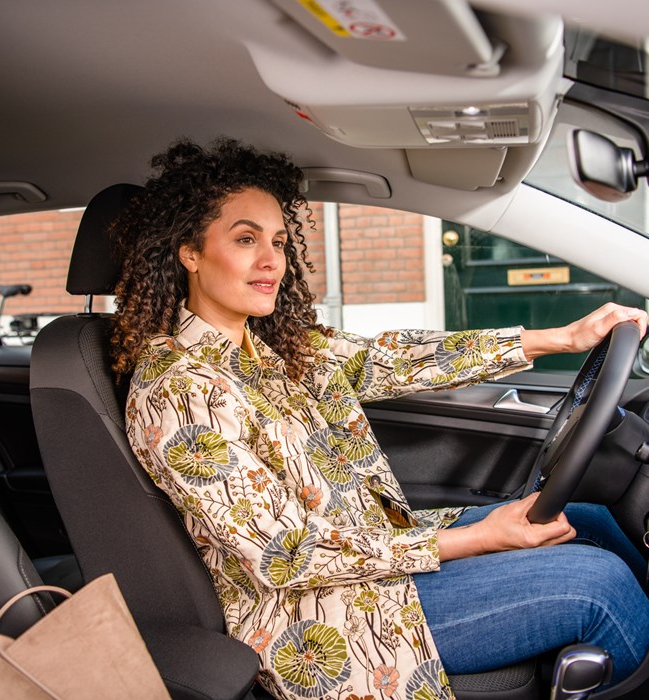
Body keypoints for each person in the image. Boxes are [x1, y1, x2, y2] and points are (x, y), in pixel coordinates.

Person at [110, 137, 649, 700]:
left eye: (278, 241)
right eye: (245, 240)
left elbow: (393, 359)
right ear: (189, 252)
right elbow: (281, 553)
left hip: (378, 561)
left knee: (590, 520)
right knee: (599, 584)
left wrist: (560, 337)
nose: (272, 260)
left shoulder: (276, 349)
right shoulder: (176, 389)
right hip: (325, 617)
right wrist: (482, 537)